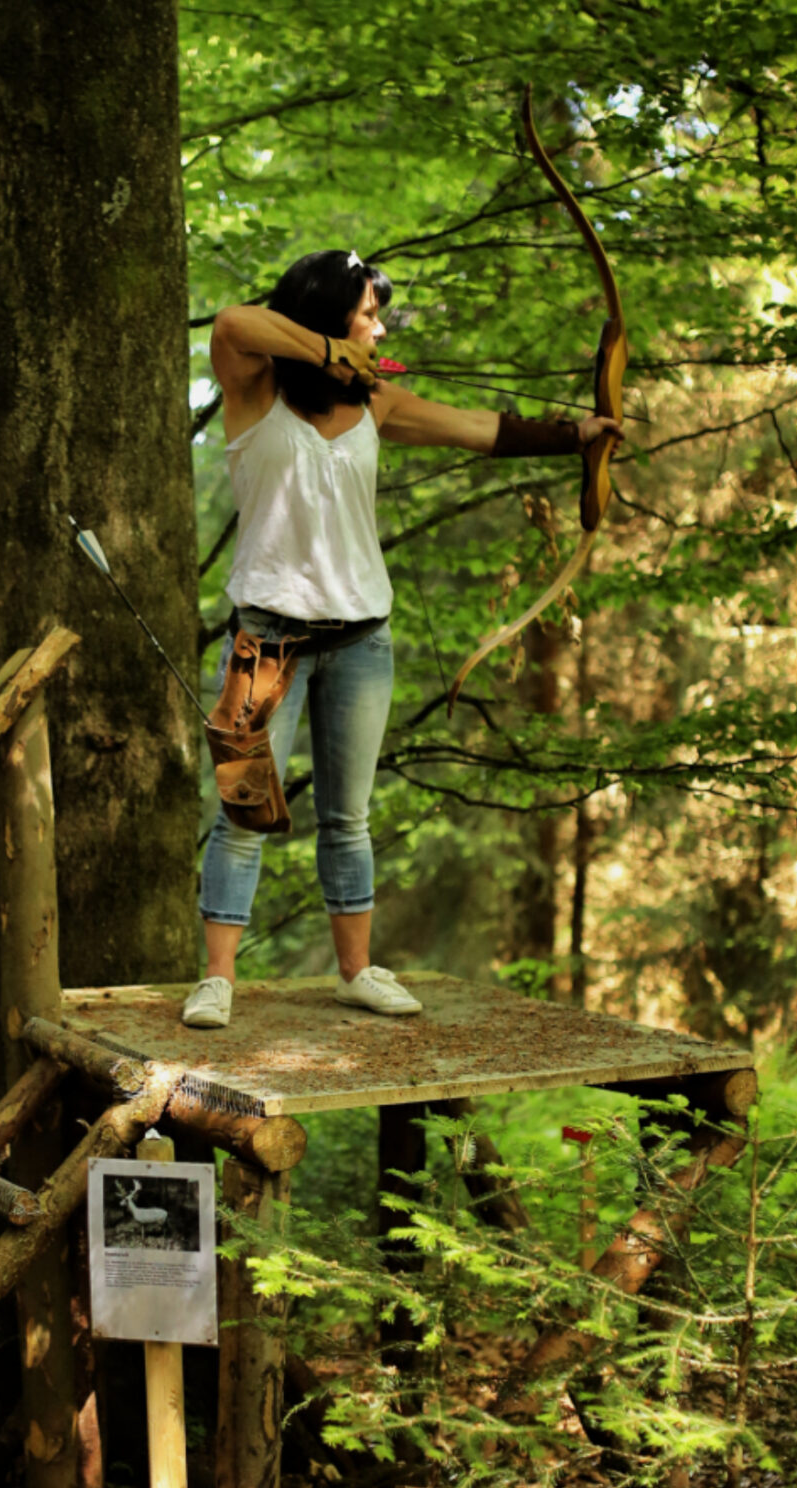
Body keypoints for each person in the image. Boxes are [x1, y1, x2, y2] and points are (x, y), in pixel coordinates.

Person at [182, 249, 618, 1030]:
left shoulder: (374, 403)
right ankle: (217, 981)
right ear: (327, 318)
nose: (378, 328)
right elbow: (233, 322)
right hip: (265, 639)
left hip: (359, 641)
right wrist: (325, 350)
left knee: (349, 818)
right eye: (367, 314)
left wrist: (577, 434)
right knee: (242, 814)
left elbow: (477, 430)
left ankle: (356, 972)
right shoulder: (255, 390)